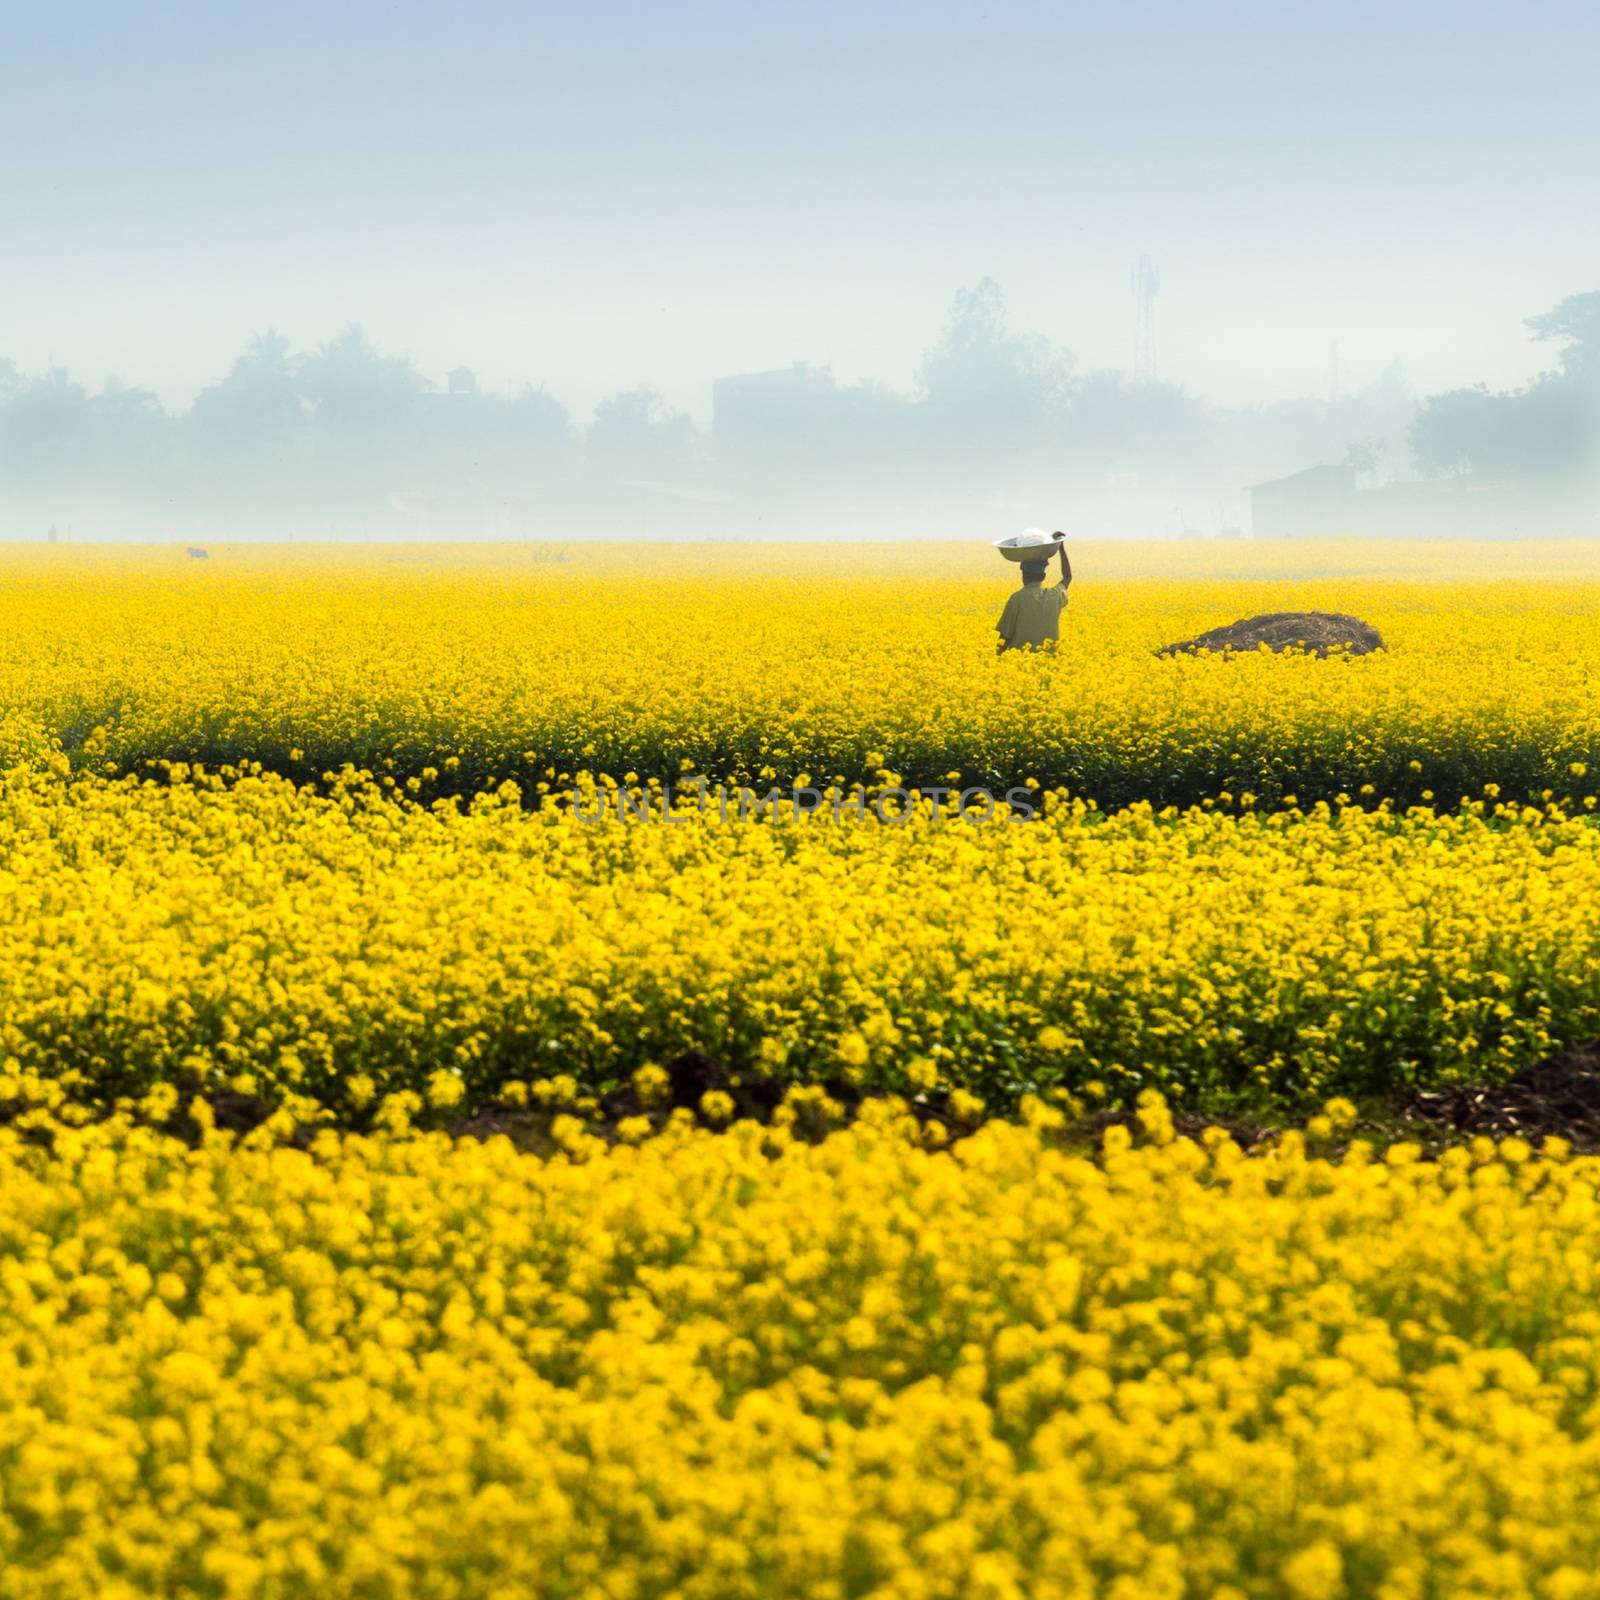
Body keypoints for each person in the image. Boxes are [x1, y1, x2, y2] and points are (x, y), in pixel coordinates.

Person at [995, 535, 1071, 653]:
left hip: (1019, 660)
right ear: (1043, 576)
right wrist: (1061, 546)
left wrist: (996, 657)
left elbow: (1005, 636)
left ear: (1023, 575)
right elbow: (1067, 577)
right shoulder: (1054, 596)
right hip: (1049, 661)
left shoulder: (1017, 599)